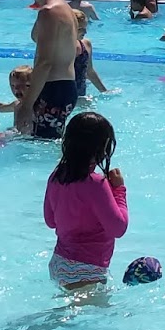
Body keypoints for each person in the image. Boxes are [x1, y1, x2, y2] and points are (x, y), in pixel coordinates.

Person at [42, 111, 128, 289]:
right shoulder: (96, 183)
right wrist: (118, 190)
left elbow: (50, 221)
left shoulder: (56, 176)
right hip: (87, 270)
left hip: (59, 263)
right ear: (103, 147)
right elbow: (118, 228)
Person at [24, 0, 80, 141]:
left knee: (41, 146)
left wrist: (26, 105)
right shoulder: (67, 10)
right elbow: (36, 36)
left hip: (53, 89)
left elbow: (45, 62)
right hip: (66, 87)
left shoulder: (49, 12)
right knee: (49, 142)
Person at [72, 10, 107, 97]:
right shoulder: (59, 46)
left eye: (85, 28)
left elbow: (90, 71)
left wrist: (104, 91)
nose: (85, 32)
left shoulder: (86, 44)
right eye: (81, 29)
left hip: (81, 94)